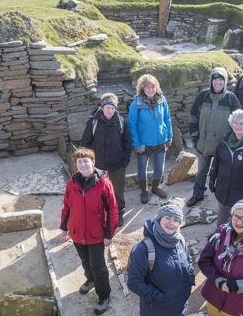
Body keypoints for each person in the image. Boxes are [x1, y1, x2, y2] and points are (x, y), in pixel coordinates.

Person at [59, 148, 118, 315]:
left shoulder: (104, 184)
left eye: (86, 161)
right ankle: (90, 280)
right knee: (85, 260)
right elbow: (67, 206)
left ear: (93, 162)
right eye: (79, 162)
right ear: (76, 165)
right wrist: (64, 227)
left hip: (96, 234)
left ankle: (104, 296)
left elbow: (112, 211)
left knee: (98, 266)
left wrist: (108, 234)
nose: (83, 164)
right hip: (77, 231)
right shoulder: (72, 183)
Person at [198, 200, 243, 315]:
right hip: (214, 299)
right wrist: (217, 279)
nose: (239, 222)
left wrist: (238, 286)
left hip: (239, 309)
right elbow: (205, 261)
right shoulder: (220, 234)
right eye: (236, 216)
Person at [187, 67, 241, 207]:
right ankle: (197, 194)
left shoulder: (231, 99)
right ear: (211, 81)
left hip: (222, 146)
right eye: (215, 79)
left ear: (225, 82)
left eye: (221, 80)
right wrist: (195, 138)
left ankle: (221, 200)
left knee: (223, 174)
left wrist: (230, 144)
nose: (217, 83)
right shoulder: (203, 96)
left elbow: (238, 123)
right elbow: (193, 117)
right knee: (201, 173)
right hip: (202, 144)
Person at [127, 204, 195, 315]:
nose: (172, 223)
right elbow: (133, 282)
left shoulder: (180, 240)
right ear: (159, 218)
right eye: (168, 218)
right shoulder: (144, 249)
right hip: (157, 310)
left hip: (180, 308)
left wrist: (190, 278)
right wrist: (158, 298)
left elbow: (188, 261)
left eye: (176, 220)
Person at [81, 93, 132, 226]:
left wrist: (125, 161)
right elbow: (86, 143)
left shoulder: (121, 122)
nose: (110, 110)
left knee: (117, 191)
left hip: (117, 165)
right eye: (107, 107)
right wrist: (91, 162)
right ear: (102, 108)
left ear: (115, 108)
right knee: (99, 190)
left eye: (112, 108)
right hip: (99, 165)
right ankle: (101, 212)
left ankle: (119, 213)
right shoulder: (93, 122)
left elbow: (127, 143)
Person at [128, 74, 173, 203]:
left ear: (156, 88)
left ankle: (155, 188)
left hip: (160, 140)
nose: (151, 90)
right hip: (143, 143)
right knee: (142, 168)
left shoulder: (162, 100)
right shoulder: (136, 104)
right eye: (147, 87)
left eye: (153, 87)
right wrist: (136, 144)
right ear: (142, 89)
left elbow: (167, 119)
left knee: (160, 167)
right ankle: (144, 191)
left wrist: (169, 136)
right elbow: (132, 125)